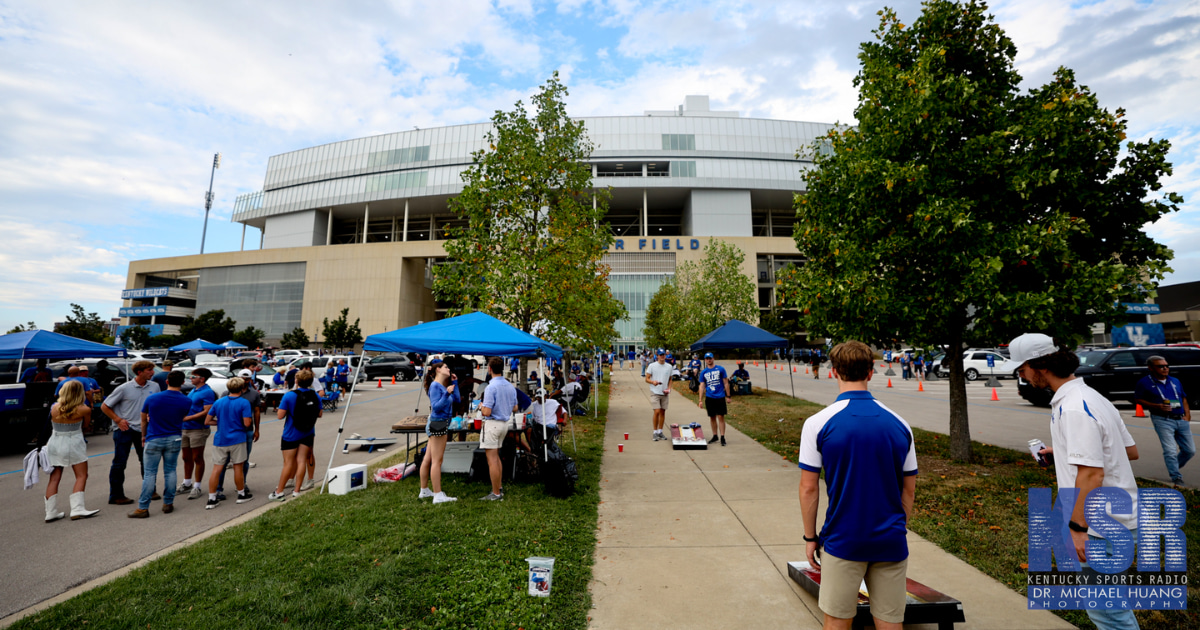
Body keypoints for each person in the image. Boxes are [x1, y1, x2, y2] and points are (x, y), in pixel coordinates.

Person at [1010, 333, 1141, 630]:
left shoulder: (1073, 407)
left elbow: (1092, 473)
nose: (1023, 377)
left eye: (1022, 370)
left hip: (1100, 527)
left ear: (1039, 366)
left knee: (1109, 616)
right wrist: (1066, 452)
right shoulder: (1093, 398)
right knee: (1112, 609)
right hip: (1118, 520)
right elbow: (1128, 451)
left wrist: (1078, 528)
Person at [799, 340, 918, 630]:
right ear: (871, 371)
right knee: (890, 623)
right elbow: (909, 489)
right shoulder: (900, 424)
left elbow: (809, 488)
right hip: (890, 540)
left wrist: (810, 537)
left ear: (835, 372)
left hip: (843, 540)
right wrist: (896, 528)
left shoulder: (817, 423)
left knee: (838, 622)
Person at [128, 370, 190, 518]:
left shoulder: (153, 398)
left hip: (154, 436)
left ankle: (143, 507)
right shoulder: (187, 400)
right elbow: (181, 417)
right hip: (174, 437)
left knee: (150, 473)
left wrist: (143, 436)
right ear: (182, 383)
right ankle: (168, 503)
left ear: (167, 382)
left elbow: (143, 420)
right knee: (170, 471)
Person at [101, 360, 160, 506]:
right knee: (120, 463)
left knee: (147, 461)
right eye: (149, 370)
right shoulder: (124, 388)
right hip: (125, 429)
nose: (152, 372)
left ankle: (150, 490)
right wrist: (118, 420)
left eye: (152, 370)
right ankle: (116, 495)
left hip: (145, 429)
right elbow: (105, 406)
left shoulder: (155, 386)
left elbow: (155, 405)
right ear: (139, 372)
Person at [42, 380, 100, 521]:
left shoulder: (54, 407)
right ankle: (77, 508)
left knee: (54, 477)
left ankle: (51, 511)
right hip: (74, 441)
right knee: (81, 475)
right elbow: (86, 426)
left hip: (55, 441)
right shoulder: (84, 409)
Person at [1134, 355, 1194, 488]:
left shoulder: (1175, 381)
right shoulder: (1144, 382)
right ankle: (1176, 476)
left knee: (1190, 450)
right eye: (1160, 366)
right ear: (1151, 368)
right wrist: (1156, 406)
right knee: (1170, 450)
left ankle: (1173, 466)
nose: (1165, 368)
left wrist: (1188, 415)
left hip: (1181, 419)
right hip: (1162, 420)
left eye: (1167, 366)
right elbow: (1138, 399)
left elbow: (1183, 399)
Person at [269, 369, 322, 502]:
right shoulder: (315, 395)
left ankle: (279, 491)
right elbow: (319, 414)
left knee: (288, 463)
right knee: (301, 461)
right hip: (308, 432)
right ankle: (297, 490)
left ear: (296, 381)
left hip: (291, 433)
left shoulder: (289, 395)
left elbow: (280, 415)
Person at [203, 377, 254, 509]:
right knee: (238, 467)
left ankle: (212, 497)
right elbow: (247, 423)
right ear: (242, 388)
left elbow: (207, 421)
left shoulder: (219, 402)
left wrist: (219, 423)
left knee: (217, 469)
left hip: (221, 439)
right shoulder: (244, 403)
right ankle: (241, 494)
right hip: (237, 438)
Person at [216, 369, 262, 498]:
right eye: (243, 379)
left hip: (246, 432)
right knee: (223, 462)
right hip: (228, 432)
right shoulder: (227, 393)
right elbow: (220, 412)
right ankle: (218, 488)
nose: (245, 381)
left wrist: (257, 429)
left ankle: (242, 484)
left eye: (247, 379)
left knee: (243, 461)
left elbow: (257, 412)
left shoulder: (253, 394)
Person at [418, 358, 459, 504]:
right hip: (438, 423)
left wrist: (454, 383)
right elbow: (436, 407)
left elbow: (457, 400)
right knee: (437, 461)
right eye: (446, 367)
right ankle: (438, 494)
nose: (449, 369)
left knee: (429, 458)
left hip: (440, 423)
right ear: (438, 370)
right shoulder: (436, 386)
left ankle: (424, 490)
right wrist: (447, 394)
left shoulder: (441, 386)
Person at [479, 357, 517, 501]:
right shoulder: (509, 386)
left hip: (493, 423)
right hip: (504, 424)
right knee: (497, 458)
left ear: (489, 369)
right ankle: (498, 487)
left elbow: (487, 412)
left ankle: (495, 493)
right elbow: (515, 407)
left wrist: (481, 406)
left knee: (492, 460)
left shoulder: (491, 387)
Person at [179, 367, 216, 500]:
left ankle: (197, 486)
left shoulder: (207, 392)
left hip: (198, 429)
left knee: (197, 457)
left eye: (194, 376)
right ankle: (187, 482)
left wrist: (188, 418)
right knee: (186, 457)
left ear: (202, 379)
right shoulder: (194, 390)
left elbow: (207, 411)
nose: (191, 378)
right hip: (185, 428)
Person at [697, 353, 730, 446]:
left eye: (710, 358)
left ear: (713, 358)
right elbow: (702, 386)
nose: (709, 360)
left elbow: (726, 383)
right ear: (705, 360)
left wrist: (728, 396)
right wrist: (700, 400)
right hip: (709, 397)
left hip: (720, 396)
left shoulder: (720, 369)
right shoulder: (704, 372)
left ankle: (722, 437)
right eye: (707, 359)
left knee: (720, 416)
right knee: (712, 417)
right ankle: (715, 435)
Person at [644, 349, 674, 442]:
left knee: (662, 412)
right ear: (657, 356)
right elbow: (647, 379)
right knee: (656, 411)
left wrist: (669, 388)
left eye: (663, 355)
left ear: (665, 355)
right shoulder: (652, 366)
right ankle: (655, 432)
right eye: (660, 355)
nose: (662, 356)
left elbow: (670, 379)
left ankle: (660, 431)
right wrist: (653, 382)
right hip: (654, 392)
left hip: (664, 392)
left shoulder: (669, 366)